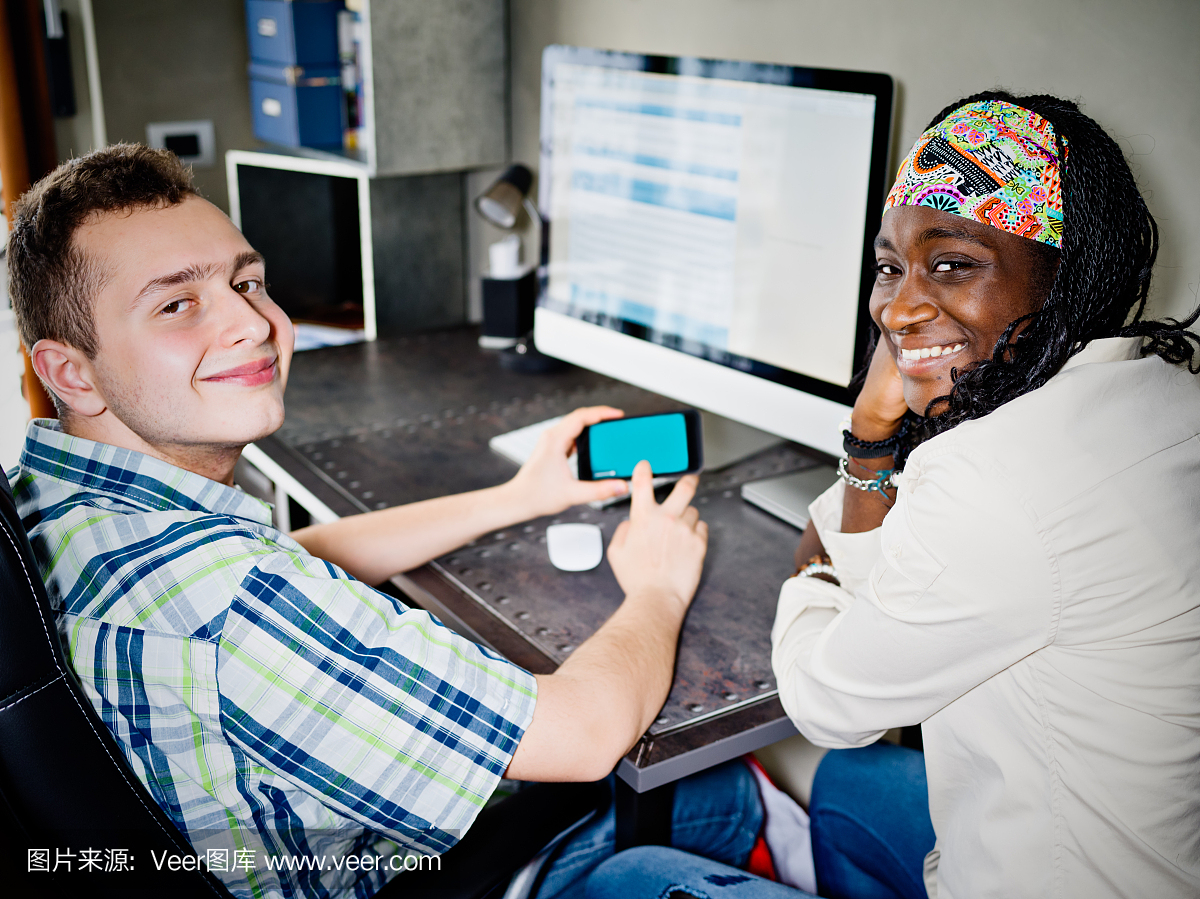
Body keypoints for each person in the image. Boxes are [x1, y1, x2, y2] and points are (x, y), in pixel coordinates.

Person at [5, 144, 766, 899]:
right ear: (71, 370)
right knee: (723, 790)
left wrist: (521, 495)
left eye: (248, 281)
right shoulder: (237, 602)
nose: (253, 322)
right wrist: (658, 583)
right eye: (178, 304)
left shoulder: (55, 508)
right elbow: (586, 734)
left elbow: (287, 555)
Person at [583, 93, 1200, 898]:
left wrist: (812, 572)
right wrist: (875, 432)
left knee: (631, 876)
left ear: (1068, 272)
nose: (897, 308)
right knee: (851, 784)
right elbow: (915, 600)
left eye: (951, 262)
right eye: (889, 266)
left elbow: (827, 705)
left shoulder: (993, 474)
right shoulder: (1167, 393)